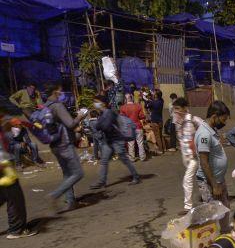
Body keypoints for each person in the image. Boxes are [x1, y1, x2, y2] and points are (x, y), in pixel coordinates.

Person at [43, 83, 86, 212]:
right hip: (64, 144)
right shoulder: (57, 106)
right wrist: (80, 116)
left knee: (67, 173)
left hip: (54, 145)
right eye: (60, 92)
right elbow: (71, 124)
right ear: (55, 92)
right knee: (78, 173)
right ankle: (54, 195)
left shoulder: (44, 107)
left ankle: (71, 201)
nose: (62, 94)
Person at [89, 95, 141, 189]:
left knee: (124, 159)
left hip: (117, 140)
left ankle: (136, 176)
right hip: (109, 141)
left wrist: (97, 126)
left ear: (103, 103)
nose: (94, 104)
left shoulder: (108, 112)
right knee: (104, 161)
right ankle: (101, 181)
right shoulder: (102, 113)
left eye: (96, 101)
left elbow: (106, 126)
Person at [195, 101, 230, 211]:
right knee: (212, 212)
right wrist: (214, 185)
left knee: (225, 208)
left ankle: (225, 229)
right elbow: (204, 162)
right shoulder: (204, 134)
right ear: (214, 116)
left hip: (218, 179)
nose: (224, 123)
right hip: (209, 182)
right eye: (223, 120)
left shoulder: (211, 130)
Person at [0, 147, 37, 239]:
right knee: (16, 203)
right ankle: (17, 230)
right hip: (6, 175)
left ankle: (16, 229)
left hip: (5, 171)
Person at [171, 97, 199, 212]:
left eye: (178, 108)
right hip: (185, 156)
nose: (176, 111)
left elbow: (207, 131)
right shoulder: (178, 122)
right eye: (174, 109)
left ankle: (188, 206)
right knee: (201, 178)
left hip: (195, 157)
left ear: (185, 108)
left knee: (187, 179)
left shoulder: (194, 120)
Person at [119, 94, 146, 162]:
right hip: (138, 126)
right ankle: (142, 157)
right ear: (132, 98)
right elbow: (142, 116)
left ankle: (132, 158)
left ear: (125, 99)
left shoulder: (122, 107)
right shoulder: (138, 106)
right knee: (140, 143)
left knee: (131, 144)